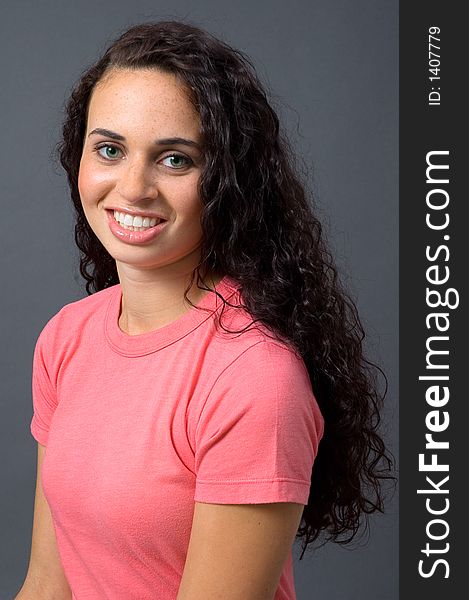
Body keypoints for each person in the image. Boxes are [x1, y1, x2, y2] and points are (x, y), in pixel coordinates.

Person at [15, 19, 396, 600]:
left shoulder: (252, 378)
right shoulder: (66, 338)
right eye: (110, 150)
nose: (133, 187)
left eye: (174, 160)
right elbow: (46, 586)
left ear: (227, 180)